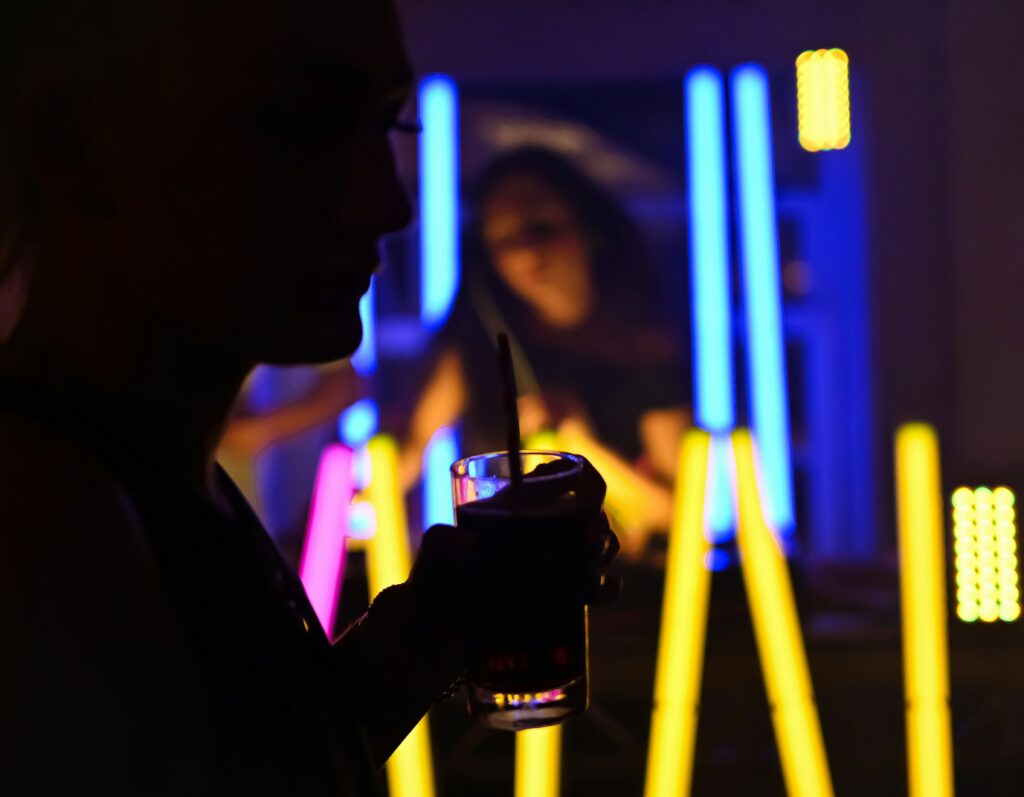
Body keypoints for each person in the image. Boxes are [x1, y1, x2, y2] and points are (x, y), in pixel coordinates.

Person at [0, 2, 618, 794]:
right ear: (79, 147)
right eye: (303, 121)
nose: (388, 202)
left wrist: (415, 643)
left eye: (389, 124)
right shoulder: (46, 520)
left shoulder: (148, 477)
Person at [399, 147, 691, 554]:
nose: (525, 252)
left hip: (618, 577)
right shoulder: (477, 342)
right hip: (504, 570)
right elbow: (408, 452)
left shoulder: (645, 353)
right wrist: (351, 498)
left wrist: (580, 445)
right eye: (503, 239)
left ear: (588, 227)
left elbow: (678, 513)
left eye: (542, 228)